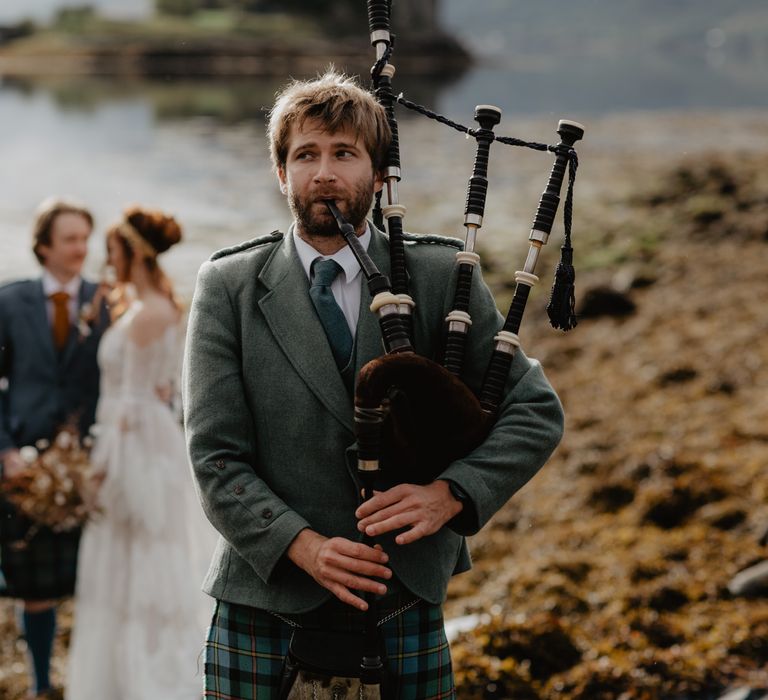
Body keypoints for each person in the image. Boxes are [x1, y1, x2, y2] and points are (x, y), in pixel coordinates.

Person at [183, 70, 564, 699]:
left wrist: (451, 493)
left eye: (344, 154)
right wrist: (302, 545)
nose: (323, 173)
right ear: (282, 174)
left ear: (380, 175)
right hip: (265, 595)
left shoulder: (443, 278)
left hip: (400, 594)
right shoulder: (228, 286)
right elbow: (215, 457)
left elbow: (534, 412)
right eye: (305, 155)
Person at [66, 207, 214, 700]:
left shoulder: (148, 313)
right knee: (128, 562)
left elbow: (131, 402)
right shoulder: (149, 308)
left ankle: (144, 676)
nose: (109, 261)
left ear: (134, 252)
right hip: (140, 436)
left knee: (137, 561)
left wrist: (99, 467)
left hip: (133, 447)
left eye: (113, 251)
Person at [0, 198, 107, 700]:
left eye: (86, 238)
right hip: (25, 465)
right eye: (69, 239)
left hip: (92, 466)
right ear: (43, 246)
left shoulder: (107, 300)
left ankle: (91, 679)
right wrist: (5, 451)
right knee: (35, 588)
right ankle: (42, 683)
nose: (81, 249)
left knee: (97, 581)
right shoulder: (9, 301)